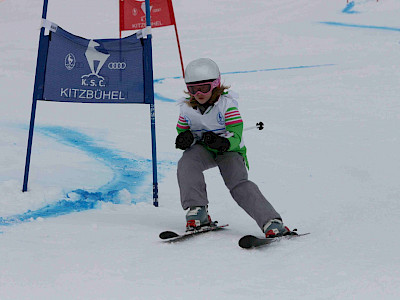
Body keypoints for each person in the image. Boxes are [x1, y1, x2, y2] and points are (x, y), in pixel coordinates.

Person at [175, 58, 291, 238]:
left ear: (216, 84)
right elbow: (182, 130)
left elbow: (236, 134)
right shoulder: (186, 108)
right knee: (187, 163)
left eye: (204, 88)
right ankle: (197, 211)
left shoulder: (227, 105)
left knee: (237, 183)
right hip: (204, 150)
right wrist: (184, 138)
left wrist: (224, 143)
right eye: (192, 89)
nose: (198, 93)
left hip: (229, 150)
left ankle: (271, 221)